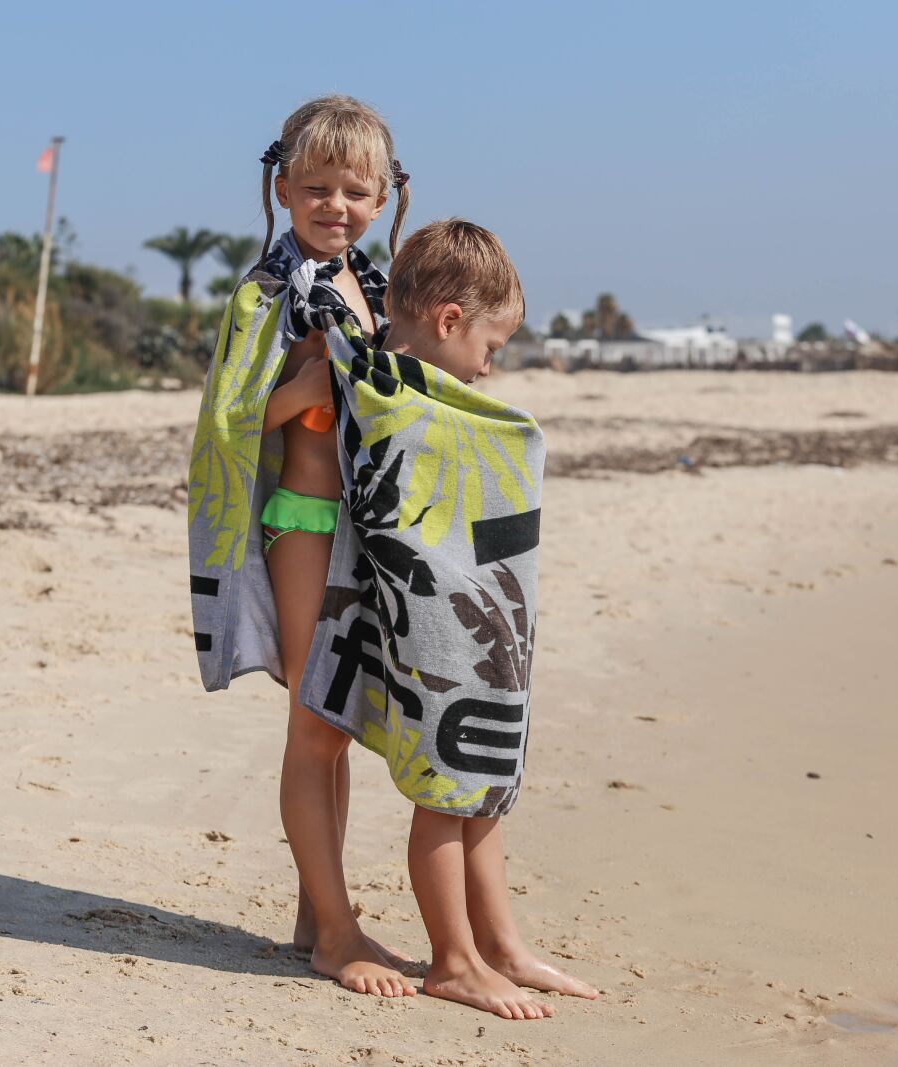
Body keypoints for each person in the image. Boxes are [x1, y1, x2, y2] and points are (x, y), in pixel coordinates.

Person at [187, 94, 415, 998]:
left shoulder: (377, 284)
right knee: (313, 724)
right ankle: (338, 934)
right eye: (316, 187)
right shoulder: (268, 293)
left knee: (337, 724)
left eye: (355, 190)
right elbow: (227, 421)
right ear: (282, 188)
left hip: (364, 533)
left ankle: (315, 910)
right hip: (302, 524)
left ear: (385, 194)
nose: (335, 206)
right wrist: (312, 380)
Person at [369, 220, 600, 1019]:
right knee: (443, 788)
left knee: (483, 789)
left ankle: (499, 943)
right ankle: (452, 957)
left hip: (476, 621)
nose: (492, 365)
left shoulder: (415, 386)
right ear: (449, 321)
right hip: (435, 623)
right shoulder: (391, 389)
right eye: (491, 344)